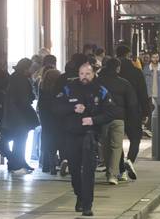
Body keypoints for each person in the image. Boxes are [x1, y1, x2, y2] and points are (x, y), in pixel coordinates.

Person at [55, 63, 117, 216]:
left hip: (89, 135)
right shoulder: (69, 88)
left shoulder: (101, 91)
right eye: (81, 73)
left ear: (93, 74)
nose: (84, 77)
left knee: (88, 171)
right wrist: (73, 108)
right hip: (71, 135)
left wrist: (93, 120)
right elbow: (56, 108)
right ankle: (80, 196)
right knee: (75, 170)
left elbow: (111, 113)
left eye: (87, 74)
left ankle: (88, 205)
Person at [98, 58, 138, 184]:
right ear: (118, 68)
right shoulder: (124, 83)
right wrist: (133, 119)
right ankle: (113, 175)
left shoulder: (99, 82)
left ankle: (109, 171)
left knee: (105, 146)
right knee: (116, 147)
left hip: (103, 118)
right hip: (119, 117)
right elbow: (132, 103)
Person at [2, 58, 40, 174]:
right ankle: (16, 164)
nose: (32, 70)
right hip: (19, 115)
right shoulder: (21, 79)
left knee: (20, 140)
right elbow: (23, 100)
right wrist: (33, 116)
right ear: (25, 68)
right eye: (30, 68)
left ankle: (19, 162)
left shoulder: (15, 77)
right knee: (20, 140)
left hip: (15, 114)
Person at [116, 44, 148, 180]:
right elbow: (142, 93)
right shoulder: (137, 72)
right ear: (129, 55)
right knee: (135, 138)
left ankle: (121, 170)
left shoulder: (114, 72)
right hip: (134, 110)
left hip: (117, 112)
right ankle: (130, 160)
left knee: (116, 141)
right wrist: (146, 112)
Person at [38, 55, 62, 174]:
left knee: (47, 137)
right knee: (58, 138)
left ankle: (46, 164)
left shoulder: (41, 87)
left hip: (45, 116)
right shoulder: (58, 89)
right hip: (57, 117)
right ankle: (58, 162)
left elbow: (40, 104)